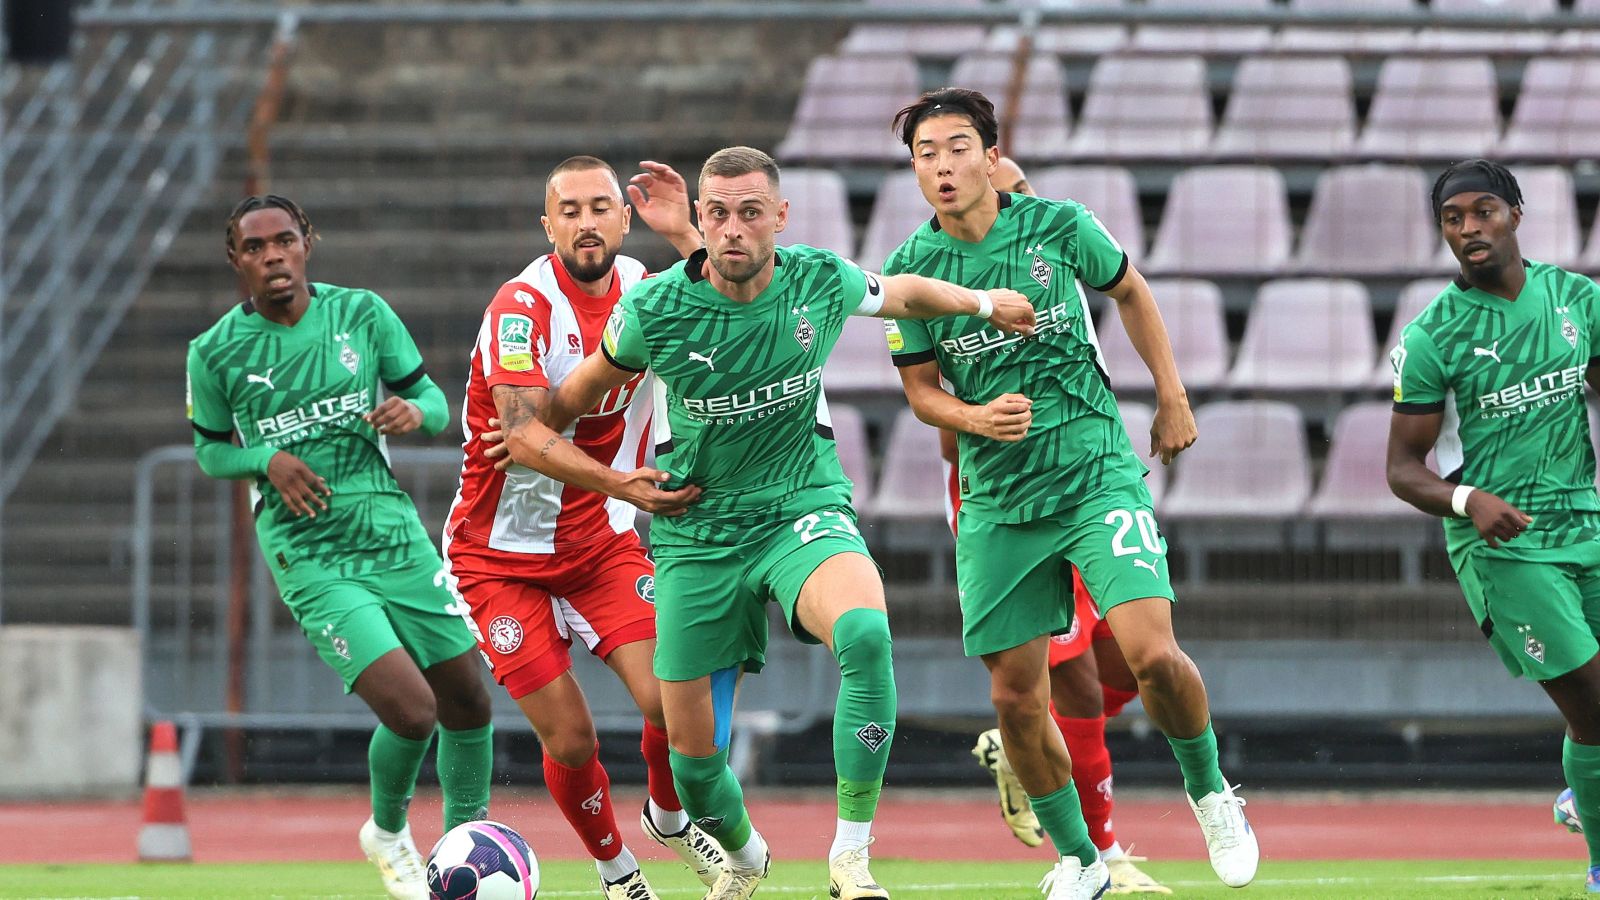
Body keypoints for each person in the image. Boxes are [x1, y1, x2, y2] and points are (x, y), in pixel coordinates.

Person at [483, 145, 1036, 900]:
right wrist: (523, 430)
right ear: (701, 222)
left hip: (800, 508)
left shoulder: (817, 279)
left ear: (780, 216)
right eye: (718, 214)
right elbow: (576, 396)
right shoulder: (654, 311)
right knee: (693, 767)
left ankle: (851, 857)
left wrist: (985, 303)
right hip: (697, 536)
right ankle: (743, 859)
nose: (734, 228)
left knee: (867, 635)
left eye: (750, 212)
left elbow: (903, 293)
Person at [880, 89, 1259, 899]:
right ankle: (1081, 859)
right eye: (924, 155)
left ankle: (1211, 792)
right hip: (997, 500)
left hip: (1094, 471)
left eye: (955, 149)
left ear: (990, 152)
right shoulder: (911, 275)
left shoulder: (1060, 226)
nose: (941, 167)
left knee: (1151, 652)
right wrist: (974, 414)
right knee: (1016, 699)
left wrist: (1172, 394)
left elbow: (1131, 290)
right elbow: (919, 393)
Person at [186, 196, 495, 900]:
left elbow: (440, 404)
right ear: (237, 261)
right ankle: (387, 832)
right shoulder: (215, 352)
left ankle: (465, 847)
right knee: (414, 711)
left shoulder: (363, 314)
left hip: (389, 531)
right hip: (310, 551)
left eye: (284, 241)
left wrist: (415, 411)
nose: (272, 258)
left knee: (469, 701)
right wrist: (265, 460)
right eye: (255, 248)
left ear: (307, 244)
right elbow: (208, 453)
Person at [443, 156, 728, 900]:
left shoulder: (646, 288)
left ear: (623, 219)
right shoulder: (520, 306)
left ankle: (667, 817)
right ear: (548, 226)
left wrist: (688, 232)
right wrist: (620, 481)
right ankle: (617, 873)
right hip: (498, 558)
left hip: (600, 543)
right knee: (571, 738)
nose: (586, 222)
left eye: (601, 207)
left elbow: (740, 293)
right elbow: (526, 436)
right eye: (568, 210)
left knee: (674, 697)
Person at [955, 160, 1170, 895]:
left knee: (1131, 668)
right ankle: (1100, 854)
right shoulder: (969, 298)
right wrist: (985, 421)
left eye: (1021, 192)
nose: (1017, 205)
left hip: (1090, 481)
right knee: (1071, 680)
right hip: (1012, 500)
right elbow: (952, 433)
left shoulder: (1059, 275)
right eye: (1007, 194)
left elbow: (1128, 306)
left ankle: (1023, 748)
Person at [1388, 158, 1600, 896]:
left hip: (1586, 525)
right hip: (1504, 547)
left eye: (1483, 212)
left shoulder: (1577, 298)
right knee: (1593, 702)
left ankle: (1586, 793)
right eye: (1454, 219)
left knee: (1597, 719)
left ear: (1515, 212)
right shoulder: (1432, 338)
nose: (1470, 229)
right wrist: (1466, 498)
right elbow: (1403, 468)